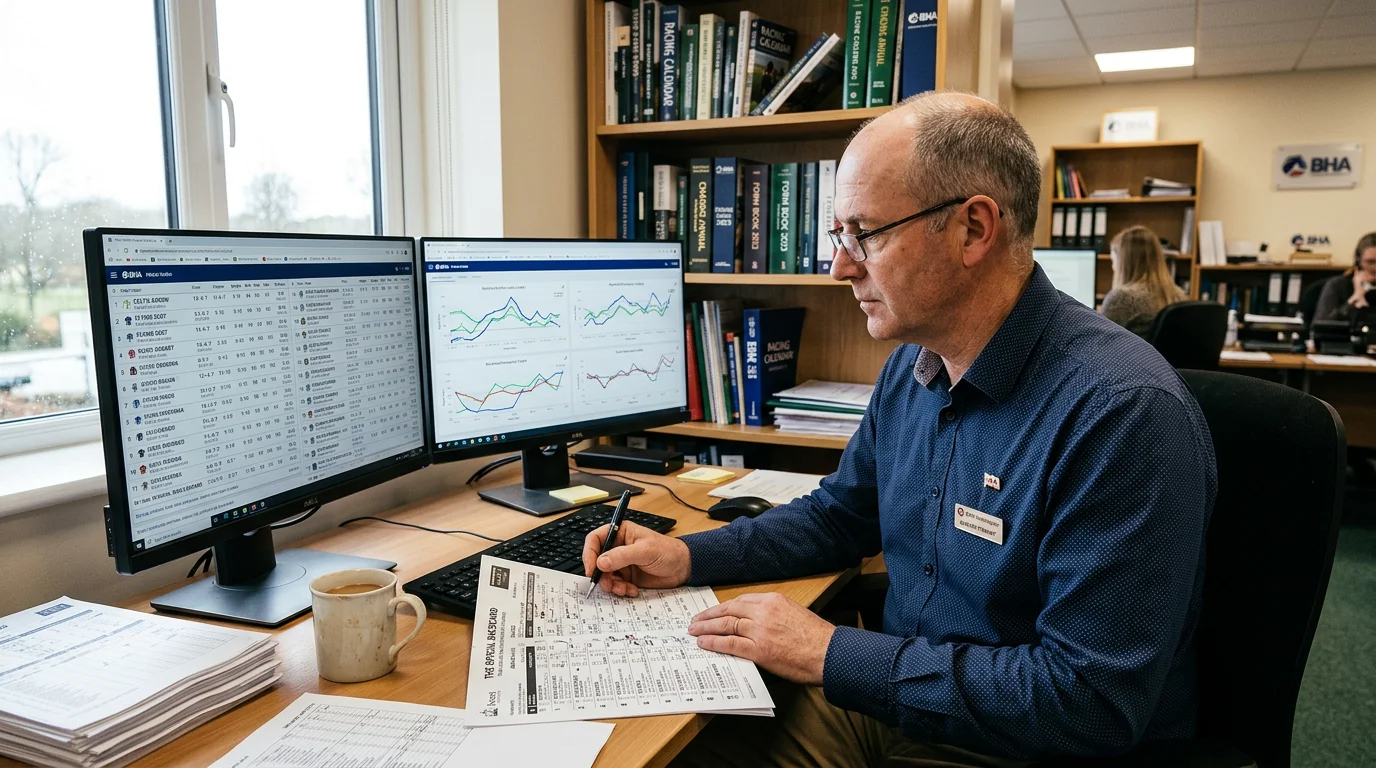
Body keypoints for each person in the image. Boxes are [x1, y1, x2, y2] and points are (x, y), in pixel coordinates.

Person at [582, 92, 1216, 766]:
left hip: (1024, 745)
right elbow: (839, 518)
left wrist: (827, 652)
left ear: (974, 229)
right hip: (902, 709)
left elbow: (1086, 703)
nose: (840, 266)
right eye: (838, 236)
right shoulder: (914, 368)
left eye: (866, 233)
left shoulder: (1121, 412)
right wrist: (688, 558)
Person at [1099, 225, 1187, 337]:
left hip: (1132, 355)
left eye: (1113, 261)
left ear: (1123, 263)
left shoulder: (1121, 298)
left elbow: (1098, 345)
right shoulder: (1179, 295)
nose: (1113, 267)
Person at [1314, 232, 1376, 323]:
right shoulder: (1337, 286)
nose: (1375, 268)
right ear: (1358, 262)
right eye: (1370, 262)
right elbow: (1321, 327)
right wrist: (1354, 300)